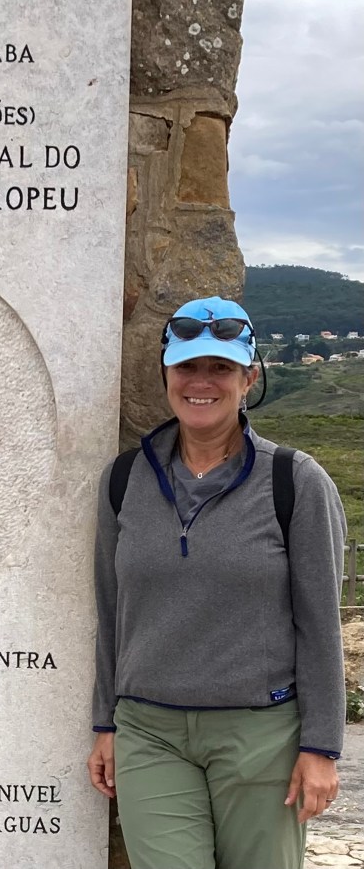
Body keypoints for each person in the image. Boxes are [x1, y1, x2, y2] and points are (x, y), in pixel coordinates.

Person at [87, 296, 346, 869]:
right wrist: (106, 722)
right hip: (148, 733)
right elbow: (111, 612)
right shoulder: (123, 480)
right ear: (166, 375)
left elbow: (321, 625)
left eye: (221, 368)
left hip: (261, 736)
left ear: (249, 377)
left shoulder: (296, 483)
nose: (202, 382)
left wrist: (321, 746)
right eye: (187, 367)